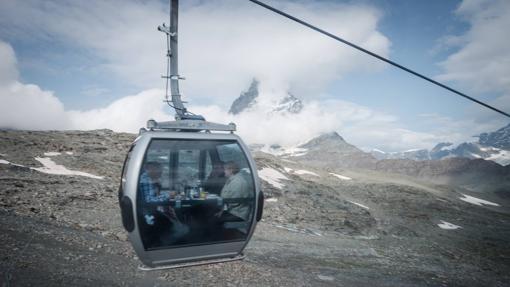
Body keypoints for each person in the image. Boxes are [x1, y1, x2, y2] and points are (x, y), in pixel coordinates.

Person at [139, 161, 186, 246]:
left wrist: (167, 194)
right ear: (151, 169)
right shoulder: (146, 180)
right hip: (147, 213)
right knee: (180, 229)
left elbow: (154, 195)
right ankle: (165, 246)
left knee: (175, 221)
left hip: (150, 210)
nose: (161, 173)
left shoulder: (148, 178)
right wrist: (168, 195)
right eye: (160, 171)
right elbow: (149, 200)